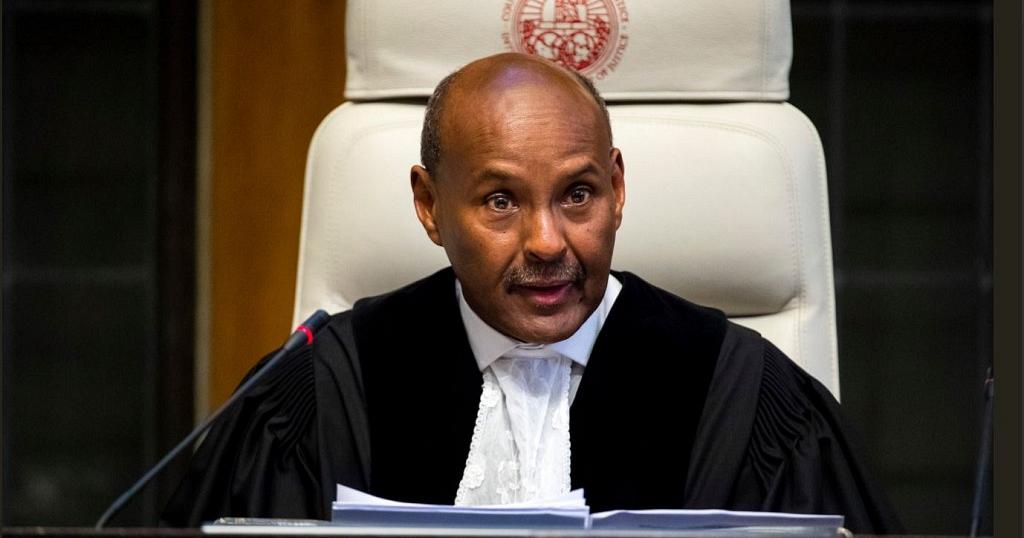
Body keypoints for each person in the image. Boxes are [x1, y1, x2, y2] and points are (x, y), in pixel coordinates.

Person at [163, 53, 901, 533]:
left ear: (617, 188)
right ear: (429, 205)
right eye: (500, 201)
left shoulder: (744, 391)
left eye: (578, 194)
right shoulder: (324, 390)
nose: (548, 243)